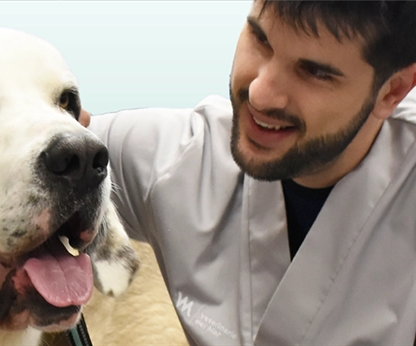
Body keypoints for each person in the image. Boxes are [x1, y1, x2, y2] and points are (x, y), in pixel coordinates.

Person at [80, 1, 416, 345]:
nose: (260, 92)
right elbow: (41, 153)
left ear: (392, 91)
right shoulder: (178, 157)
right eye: (260, 39)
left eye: (314, 72)